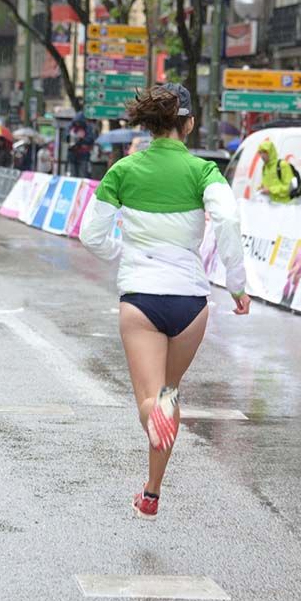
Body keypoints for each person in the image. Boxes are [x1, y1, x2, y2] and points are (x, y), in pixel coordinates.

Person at [79, 83, 250, 520]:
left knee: (149, 403)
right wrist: (237, 284)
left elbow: (91, 235)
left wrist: (126, 255)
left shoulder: (122, 170)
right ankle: (151, 492)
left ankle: (156, 419)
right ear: (188, 124)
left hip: (142, 298)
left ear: (149, 124)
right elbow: (228, 219)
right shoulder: (204, 171)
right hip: (191, 301)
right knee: (169, 396)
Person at [257, 139, 297, 203]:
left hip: (284, 207)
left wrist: (270, 190)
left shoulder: (282, 165)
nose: (262, 155)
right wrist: (260, 189)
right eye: (260, 152)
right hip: (270, 207)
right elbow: (266, 185)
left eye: (265, 152)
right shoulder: (265, 168)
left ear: (271, 152)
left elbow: (290, 187)